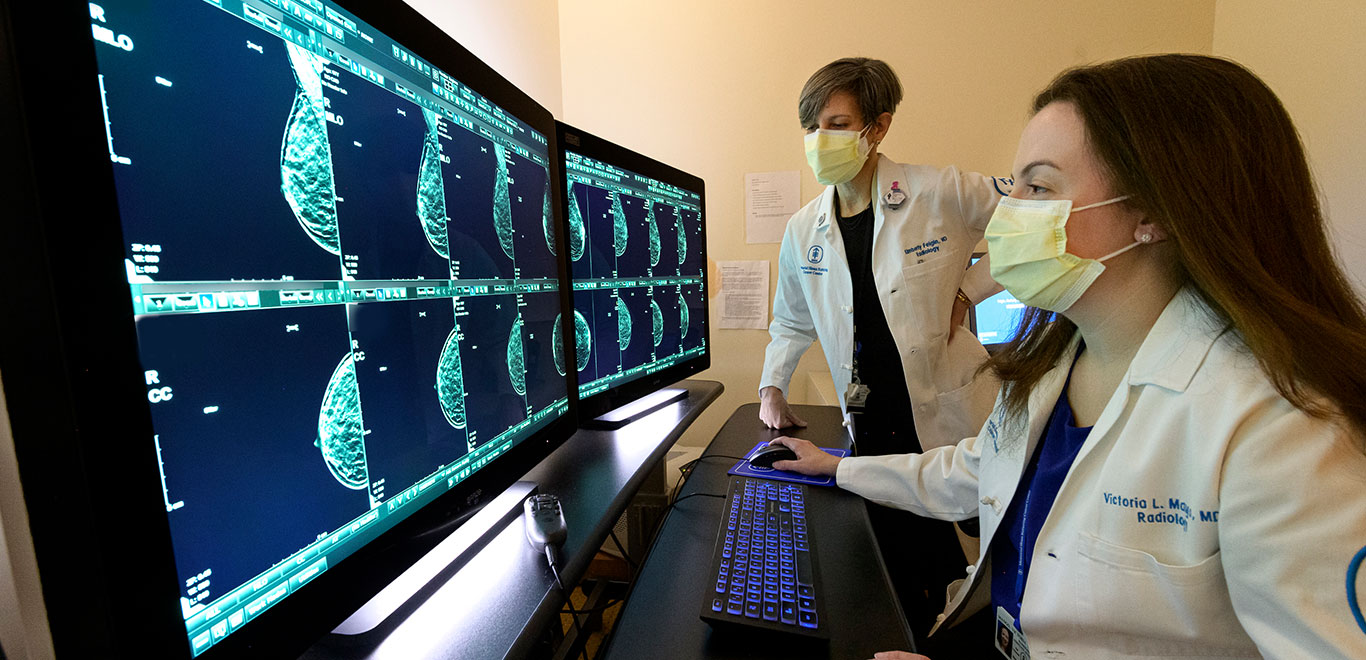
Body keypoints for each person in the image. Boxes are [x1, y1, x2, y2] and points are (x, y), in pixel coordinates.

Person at [772, 53, 1366, 658]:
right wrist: (837, 467)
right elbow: (975, 473)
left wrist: (965, 290)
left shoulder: (1287, 433)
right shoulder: (1058, 364)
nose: (1013, 212)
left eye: (1039, 186)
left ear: (1155, 211)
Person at [758, 57, 1009, 638]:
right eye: (811, 125)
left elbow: (1040, 221)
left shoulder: (938, 191)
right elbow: (790, 322)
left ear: (878, 127)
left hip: (946, 414)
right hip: (869, 419)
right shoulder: (802, 230)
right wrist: (772, 387)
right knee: (890, 568)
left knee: (964, 559)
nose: (821, 140)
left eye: (838, 123)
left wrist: (970, 289)